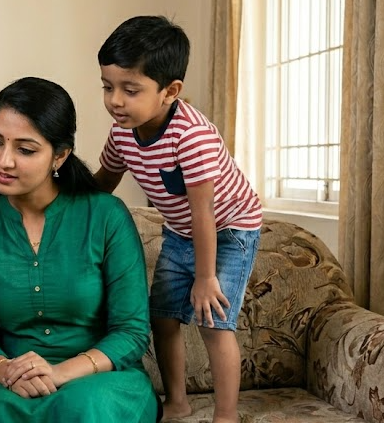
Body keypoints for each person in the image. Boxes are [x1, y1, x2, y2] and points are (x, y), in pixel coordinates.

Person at [94, 16, 263, 423]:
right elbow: (103, 182)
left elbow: (204, 211)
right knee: (163, 317)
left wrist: (206, 279)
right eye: (107, 86)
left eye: (130, 90)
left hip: (230, 227)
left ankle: (226, 415)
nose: (115, 100)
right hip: (181, 230)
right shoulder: (122, 132)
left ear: (170, 91)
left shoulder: (193, 136)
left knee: (214, 322)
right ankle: (178, 401)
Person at [0, 77, 158, 422]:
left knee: (84, 407)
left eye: (25, 149)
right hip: (12, 385)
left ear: (60, 155)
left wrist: (60, 373)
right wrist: (5, 371)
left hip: (99, 381)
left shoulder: (106, 216)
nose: (3, 161)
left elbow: (131, 331)